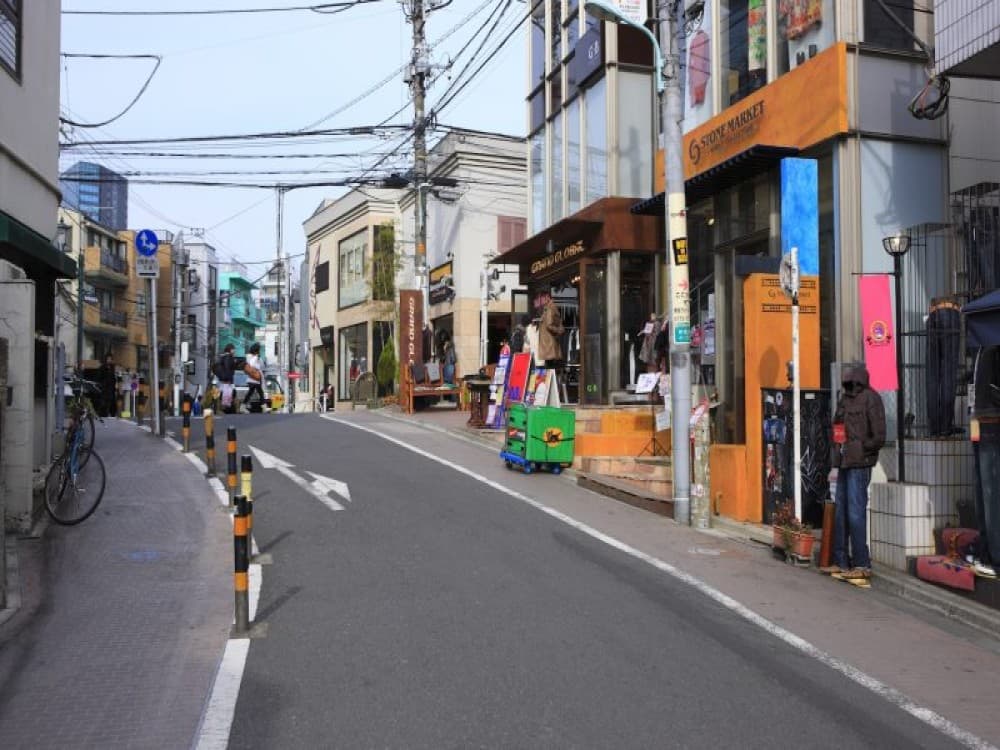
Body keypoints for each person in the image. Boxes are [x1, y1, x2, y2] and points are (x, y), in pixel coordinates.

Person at [822, 363, 886, 580]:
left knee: (855, 513)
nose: (849, 384)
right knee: (841, 512)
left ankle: (861, 563)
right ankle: (841, 562)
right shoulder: (845, 399)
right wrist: (836, 461)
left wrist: (861, 449)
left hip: (860, 465)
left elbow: (879, 436)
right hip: (845, 463)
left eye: (852, 380)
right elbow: (837, 429)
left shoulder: (871, 398)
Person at [214, 343, 238, 414]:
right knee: (229, 393)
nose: (234, 351)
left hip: (221, 378)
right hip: (225, 380)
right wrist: (227, 379)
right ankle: (220, 409)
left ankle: (220, 409)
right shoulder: (228, 357)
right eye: (233, 349)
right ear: (230, 349)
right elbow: (227, 368)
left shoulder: (223, 356)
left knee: (220, 394)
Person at [244, 342, 265, 410]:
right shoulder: (250, 356)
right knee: (260, 392)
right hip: (253, 377)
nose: (259, 351)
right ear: (256, 350)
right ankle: (264, 406)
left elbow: (262, 366)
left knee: (252, 392)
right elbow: (252, 364)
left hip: (256, 378)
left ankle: (243, 405)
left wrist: (259, 359)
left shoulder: (257, 357)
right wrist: (256, 357)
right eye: (259, 349)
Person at [98, 354, 118, 418]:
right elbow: (99, 377)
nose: (109, 360)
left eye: (110, 359)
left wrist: (115, 386)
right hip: (104, 387)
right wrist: (102, 384)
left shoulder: (112, 368)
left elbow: (114, 377)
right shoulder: (102, 367)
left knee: (111, 401)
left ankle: (110, 414)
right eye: (108, 359)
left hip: (111, 388)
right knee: (104, 401)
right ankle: (103, 414)